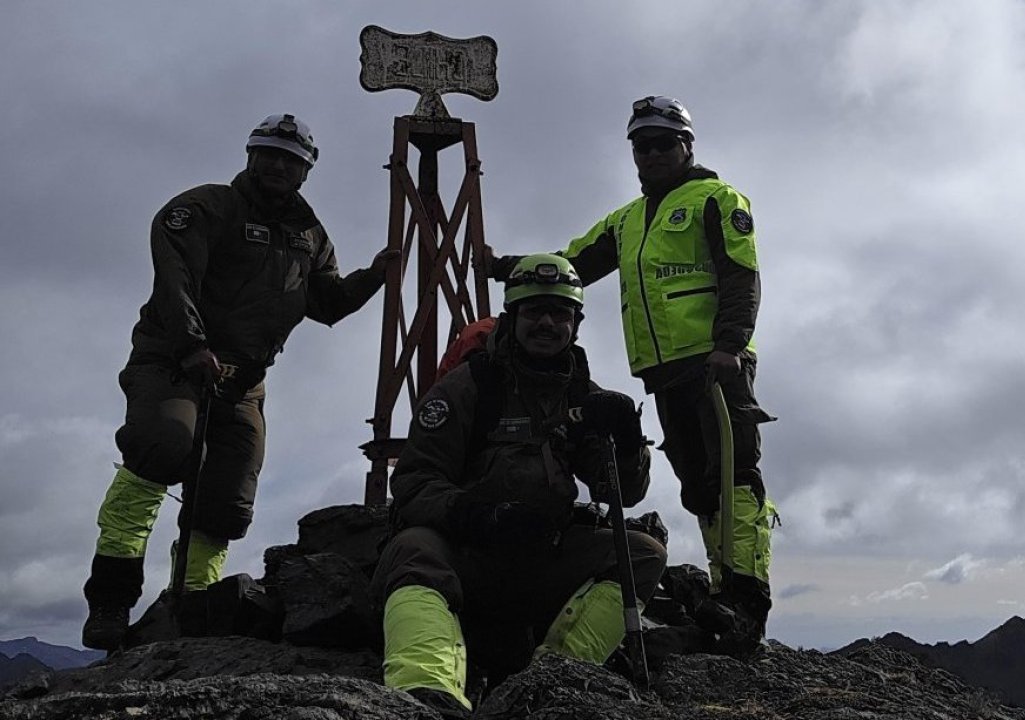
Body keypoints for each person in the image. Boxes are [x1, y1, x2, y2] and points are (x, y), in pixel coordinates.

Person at [81, 113, 397, 650]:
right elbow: (174, 278)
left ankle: (194, 605)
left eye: (291, 160)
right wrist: (193, 345)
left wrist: (376, 274)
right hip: (174, 362)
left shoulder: (309, 234)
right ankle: (111, 599)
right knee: (162, 446)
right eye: (268, 153)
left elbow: (328, 304)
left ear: (305, 171)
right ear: (249, 157)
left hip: (244, 381)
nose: (278, 165)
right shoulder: (206, 208)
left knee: (228, 500)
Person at [489, 95, 777, 656]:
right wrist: (509, 267)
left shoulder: (717, 199)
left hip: (716, 365)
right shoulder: (628, 220)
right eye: (640, 144)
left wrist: (729, 345)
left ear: (686, 146)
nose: (650, 153)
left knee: (735, 475)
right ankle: (721, 598)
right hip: (665, 373)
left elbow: (741, 276)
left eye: (663, 142)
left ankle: (747, 605)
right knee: (699, 484)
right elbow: (570, 264)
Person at [372, 254, 666, 717]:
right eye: (534, 311)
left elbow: (622, 493)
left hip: (541, 557)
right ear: (513, 316)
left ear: (576, 322)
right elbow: (414, 480)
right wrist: (479, 515)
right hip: (465, 554)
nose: (547, 323)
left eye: (559, 313)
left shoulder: (584, 397)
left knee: (645, 552)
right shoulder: (466, 387)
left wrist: (628, 443)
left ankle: (554, 682)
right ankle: (425, 694)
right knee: (413, 550)